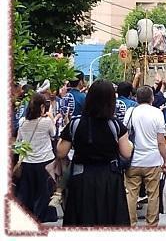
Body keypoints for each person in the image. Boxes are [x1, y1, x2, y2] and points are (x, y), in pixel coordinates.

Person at [57, 80, 132, 225]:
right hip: (109, 179)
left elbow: (61, 152)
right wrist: (130, 144)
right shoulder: (115, 124)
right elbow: (126, 153)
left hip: (82, 178)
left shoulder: (76, 123)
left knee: (82, 220)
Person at [123, 85, 166, 227]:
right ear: (152, 98)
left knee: (131, 194)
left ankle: (131, 224)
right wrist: (165, 159)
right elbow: (161, 141)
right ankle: (152, 225)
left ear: (136, 98)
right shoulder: (157, 113)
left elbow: (125, 135)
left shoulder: (130, 112)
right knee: (153, 195)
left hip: (133, 160)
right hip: (153, 160)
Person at [15, 93, 58, 223]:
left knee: (28, 190)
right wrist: (51, 117)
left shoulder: (22, 122)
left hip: (27, 161)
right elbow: (54, 133)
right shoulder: (45, 122)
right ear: (41, 107)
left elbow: (19, 140)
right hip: (45, 160)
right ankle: (42, 215)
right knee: (44, 191)